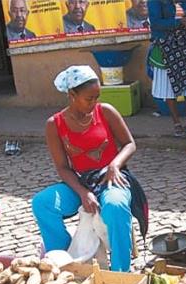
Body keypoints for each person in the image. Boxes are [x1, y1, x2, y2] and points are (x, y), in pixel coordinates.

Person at [32, 66, 148, 272]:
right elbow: (62, 167)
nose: (94, 102)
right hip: (79, 181)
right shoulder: (54, 124)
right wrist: (83, 193)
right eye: (89, 98)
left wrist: (115, 164)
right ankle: (61, 261)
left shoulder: (106, 112)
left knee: (115, 205)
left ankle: (121, 272)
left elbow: (130, 144)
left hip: (110, 178)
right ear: (72, 95)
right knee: (42, 203)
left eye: (97, 97)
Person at [147, 0, 186, 137]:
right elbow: (156, 23)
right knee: (167, 85)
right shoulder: (154, 1)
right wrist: (179, 22)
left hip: (185, 44)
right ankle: (176, 123)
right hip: (165, 45)